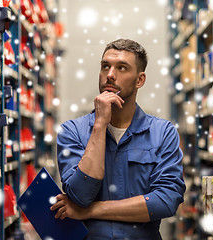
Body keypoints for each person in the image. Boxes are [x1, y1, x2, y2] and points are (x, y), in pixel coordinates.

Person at [50, 38, 185, 239]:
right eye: (105, 66)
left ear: (140, 80)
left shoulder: (162, 132)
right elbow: (80, 195)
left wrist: (90, 211)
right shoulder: (72, 131)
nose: (110, 75)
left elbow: (166, 201)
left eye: (122, 68)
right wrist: (99, 126)